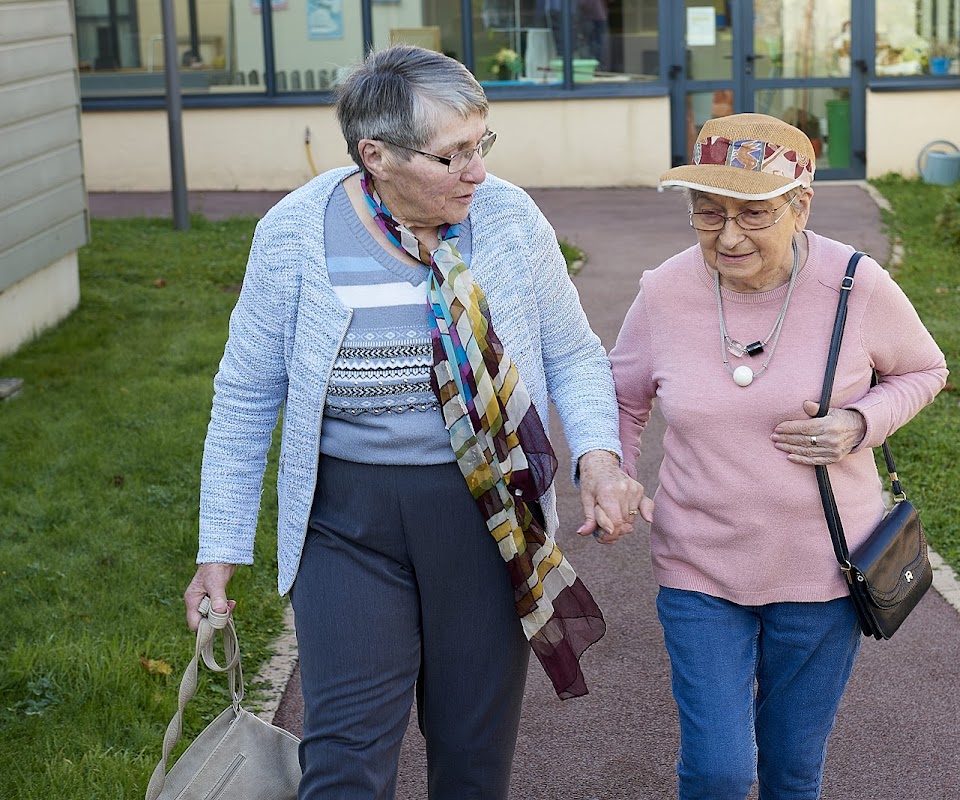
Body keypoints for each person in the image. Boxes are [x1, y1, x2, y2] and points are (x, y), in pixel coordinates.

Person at [182, 44, 645, 800]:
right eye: (452, 155)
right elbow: (244, 395)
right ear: (377, 155)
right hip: (347, 525)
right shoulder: (297, 233)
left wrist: (598, 456)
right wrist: (220, 546)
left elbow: (572, 351)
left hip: (487, 516)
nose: (478, 172)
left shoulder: (507, 218)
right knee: (344, 762)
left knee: (470, 756)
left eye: (480, 144)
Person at [608, 113, 947, 800]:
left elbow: (923, 370)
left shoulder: (856, 285)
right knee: (719, 771)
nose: (727, 236)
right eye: (707, 214)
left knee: (792, 769)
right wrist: (613, 470)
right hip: (698, 564)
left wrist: (859, 421)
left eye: (752, 215)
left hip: (822, 570)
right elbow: (619, 395)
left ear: (801, 206)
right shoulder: (664, 290)